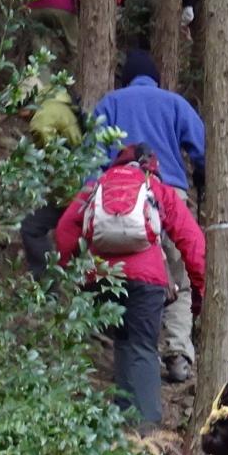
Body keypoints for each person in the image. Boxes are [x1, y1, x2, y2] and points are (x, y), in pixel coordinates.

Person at [54, 145, 206, 426]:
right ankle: (146, 430)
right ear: (151, 166)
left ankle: (122, 417)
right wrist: (201, 290)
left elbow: (65, 231)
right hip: (145, 280)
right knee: (141, 347)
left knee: (124, 343)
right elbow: (192, 241)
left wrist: (64, 274)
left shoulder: (96, 186)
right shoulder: (156, 188)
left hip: (100, 277)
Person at [90, 50, 207, 383]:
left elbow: (92, 156)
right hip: (170, 197)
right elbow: (201, 146)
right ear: (155, 77)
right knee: (178, 281)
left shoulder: (110, 103)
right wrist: (202, 175)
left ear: (125, 77)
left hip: (117, 203)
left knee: (130, 275)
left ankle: (130, 350)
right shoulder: (174, 103)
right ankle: (177, 352)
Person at [20, 83, 84, 280]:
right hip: (72, 188)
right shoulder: (58, 106)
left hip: (70, 191)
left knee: (32, 228)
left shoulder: (45, 112)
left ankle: (48, 284)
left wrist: (43, 162)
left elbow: (41, 131)